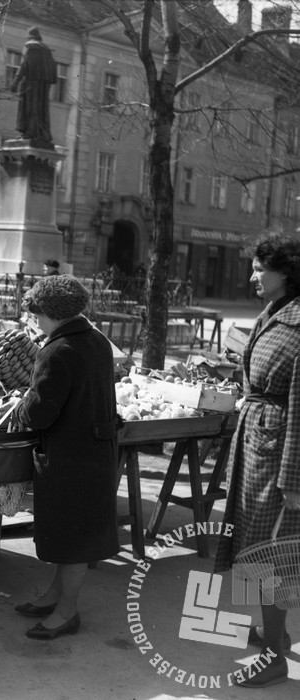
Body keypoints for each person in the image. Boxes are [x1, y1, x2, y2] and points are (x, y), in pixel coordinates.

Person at [3, 274, 119, 640]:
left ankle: (67, 613)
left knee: (72, 539)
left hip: (70, 457)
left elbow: (39, 413)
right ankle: (55, 595)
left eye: (36, 314)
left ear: (50, 313)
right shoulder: (97, 340)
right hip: (93, 452)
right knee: (71, 534)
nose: (34, 321)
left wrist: (18, 407)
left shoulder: (57, 351)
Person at [214, 232, 300, 689]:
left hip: (279, 455)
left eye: (258, 268)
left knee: (273, 554)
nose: (251, 276)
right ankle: (270, 631)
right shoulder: (276, 313)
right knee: (252, 545)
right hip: (258, 445)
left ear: (285, 271)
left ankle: (274, 656)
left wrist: (294, 479)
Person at [10, 27, 57, 145]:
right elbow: (53, 73)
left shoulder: (30, 47)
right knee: (41, 110)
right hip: (43, 87)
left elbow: (24, 65)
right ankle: (41, 133)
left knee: (30, 108)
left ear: (29, 36)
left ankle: (30, 132)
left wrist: (15, 82)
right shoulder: (47, 51)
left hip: (30, 83)